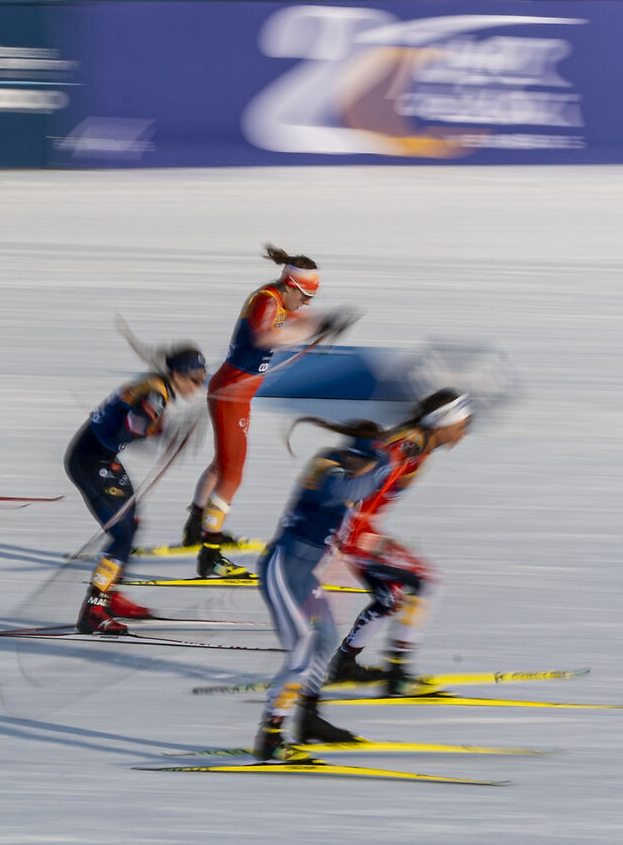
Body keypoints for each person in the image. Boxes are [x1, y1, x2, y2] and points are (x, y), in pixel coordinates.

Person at [251, 417, 394, 760]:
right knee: (301, 651)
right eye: (368, 466)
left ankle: (309, 720)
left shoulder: (351, 470)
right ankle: (270, 737)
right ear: (358, 458)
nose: (370, 474)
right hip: (282, 571)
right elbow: (348, 491)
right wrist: (386, 462)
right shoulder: (327, 469)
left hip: (303, 576)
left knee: (327, 638)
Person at [183, 244, 326, 577]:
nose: (305, 303)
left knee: (223, 467)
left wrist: (320, 323)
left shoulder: (280, 298)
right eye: (304, 295)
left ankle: (196, 527)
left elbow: (299, 320)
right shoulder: (266, 301)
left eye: (310, 298)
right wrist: (306, 330)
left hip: (234, 394)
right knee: (232, 475)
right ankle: (210, 553)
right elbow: (264, 337)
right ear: (290, 285)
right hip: (232, 395)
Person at [329, 388, 473, 693]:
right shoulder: (407, 449)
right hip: (355, 533)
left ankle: (344, 665)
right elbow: (363, 493)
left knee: (392, 598)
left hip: (353, 531)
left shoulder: (415, 444)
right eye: (461, 427)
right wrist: (358, 538)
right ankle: (398, 674)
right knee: (427, 583)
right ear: (441, 424)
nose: (464, 434)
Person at [64, 344, 209, 635]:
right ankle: (93, 609)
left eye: (202, 379)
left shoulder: (157, 386)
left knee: (133, 524)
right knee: (121, 534)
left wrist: (163, 431)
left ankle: (112, 594)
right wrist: (165, 433)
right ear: (178, 375)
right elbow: (129, 430)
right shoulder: (155, 393)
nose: (198, 386)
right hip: (90, 462)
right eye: (195, 379)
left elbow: (132, 425)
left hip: (103, 458)